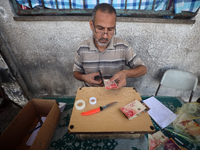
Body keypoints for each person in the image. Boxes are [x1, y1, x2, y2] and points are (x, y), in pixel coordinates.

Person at [73, 3, 147, 89]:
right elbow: (76, 72)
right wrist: (84, 77)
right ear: (91, 25)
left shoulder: (123, 46)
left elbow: (143, 69)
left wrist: (125, 73)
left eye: (110, 29)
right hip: (90, 92)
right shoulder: (82, 48)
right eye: (100, 28)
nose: (105, 36)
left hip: (114, 91)